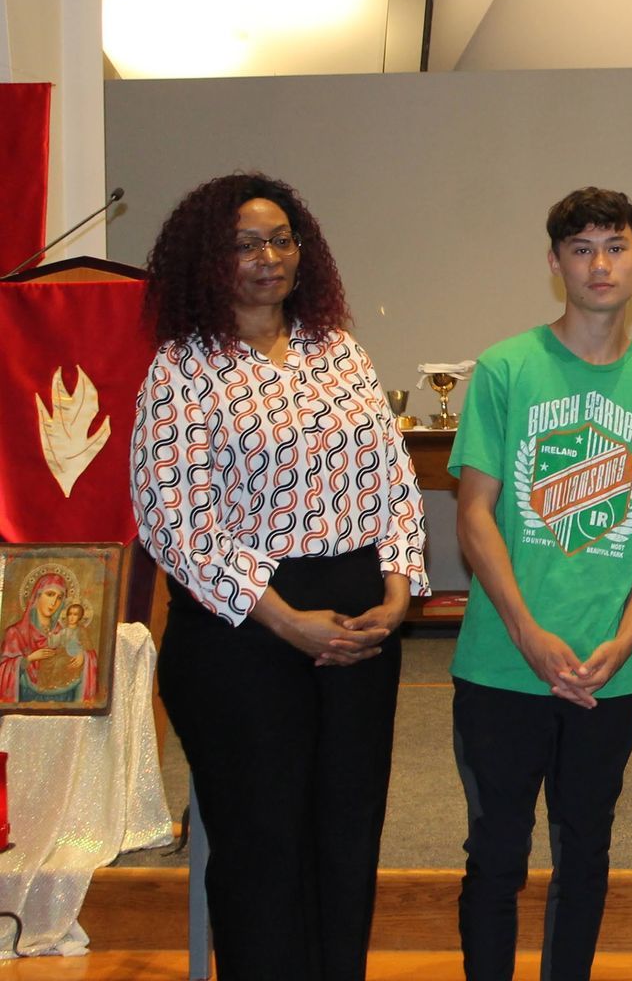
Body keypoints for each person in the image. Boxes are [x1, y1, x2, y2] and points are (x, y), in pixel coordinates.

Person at [131, 172, 427, 981]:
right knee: (263, 845)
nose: (269, 258)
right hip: (242, 640)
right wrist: (288, 621)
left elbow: (393, 480)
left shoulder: (339, 350)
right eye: (245, 244)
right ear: (209, 259)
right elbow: (177, 524)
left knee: (347, 832)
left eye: (282, 240)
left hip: (362, 628)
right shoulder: (182, 371)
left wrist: (398, 591)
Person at [447, 186, 632, 981]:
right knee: (496, 856)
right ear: (556, 264)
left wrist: (626, 637)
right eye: (582, 248)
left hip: (607, 672)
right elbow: (476, 514)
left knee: (586, 855)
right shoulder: (505, 369)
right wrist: (526, 630)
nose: (600, 263)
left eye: (615, 246)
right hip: (502, 665)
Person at [0, 569, 98, 702]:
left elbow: (85, 654)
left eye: (59, 598)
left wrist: (83, 655)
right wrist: (29, 658)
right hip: (27, 704)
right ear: (37, 596)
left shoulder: (63, 631)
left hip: (64, 700)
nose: (54, 603)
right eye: (50, 594)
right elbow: (4, 669)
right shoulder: (15, 633)